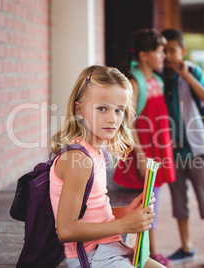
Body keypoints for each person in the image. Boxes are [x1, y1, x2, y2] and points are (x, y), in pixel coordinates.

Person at [49, 65, 165, 268]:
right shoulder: (79, 159)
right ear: (79, 110)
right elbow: (66, 230)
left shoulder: (95, 152)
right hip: (91, 257)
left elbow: (92, 212)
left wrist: (127, 212)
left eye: (119, 110)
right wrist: (123, 225)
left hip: (108, 248)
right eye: (102, 108)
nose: (113, 118)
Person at [112, 29, 176, 267]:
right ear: (143, 55)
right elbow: (128, 123)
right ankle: (145, 254)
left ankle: (149, 252)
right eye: (159, 51)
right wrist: (139, 156)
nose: (163, 56)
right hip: (144, 153)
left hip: (158, 150)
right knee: (145, 203)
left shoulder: (157, 81)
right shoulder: (134, 83)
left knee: (153, 201)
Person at [161, 28, 204, 267]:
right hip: (172, 151)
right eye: (164, 51)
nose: (167, 55)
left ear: (182, 51)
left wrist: (186, 75)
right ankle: (187, 247)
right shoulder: (159, 76)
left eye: (172, 50)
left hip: (197, 148)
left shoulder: (191, 71)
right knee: (179, 202)